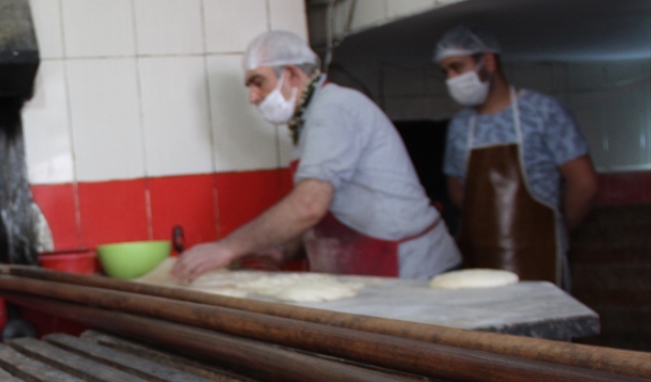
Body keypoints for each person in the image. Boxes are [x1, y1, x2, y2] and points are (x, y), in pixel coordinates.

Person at [174, 31, 461, 283]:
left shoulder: (333, 108)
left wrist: (227, 248)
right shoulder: (308, 122)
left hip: (414, 271)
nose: (252, 96)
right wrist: (281, 249)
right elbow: (334, 210)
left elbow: (309, 205)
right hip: (373, 270)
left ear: (292, 74)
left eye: (258, 82)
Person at [435, 25, 597, 289]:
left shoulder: (543, 111)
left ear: (487, 61)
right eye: (446, 72)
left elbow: (584, 185)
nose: (452, 78)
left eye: (457, 67)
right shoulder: (460, 126)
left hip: (539, 258)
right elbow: (457, 189)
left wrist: (555, 231)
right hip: (479, 260)